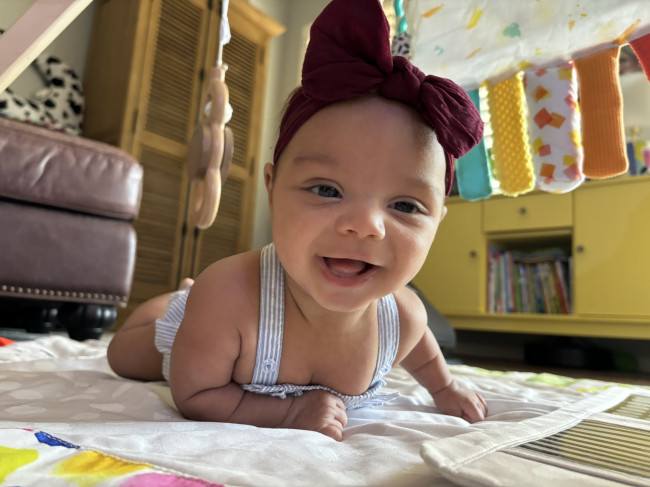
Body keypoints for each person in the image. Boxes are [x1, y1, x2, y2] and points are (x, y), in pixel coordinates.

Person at [107, 0, 487, 441]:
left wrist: (444, 387)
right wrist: (285, 414)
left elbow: (422, 351)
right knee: (122, 356)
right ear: (271, 187)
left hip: (218, 322)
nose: (365, 226)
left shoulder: (403, 316)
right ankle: (180, 300)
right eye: (326, 190)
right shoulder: (230, 297)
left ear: (438, 218)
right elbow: (195, 393)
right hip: (203, 330)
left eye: (404, 206)